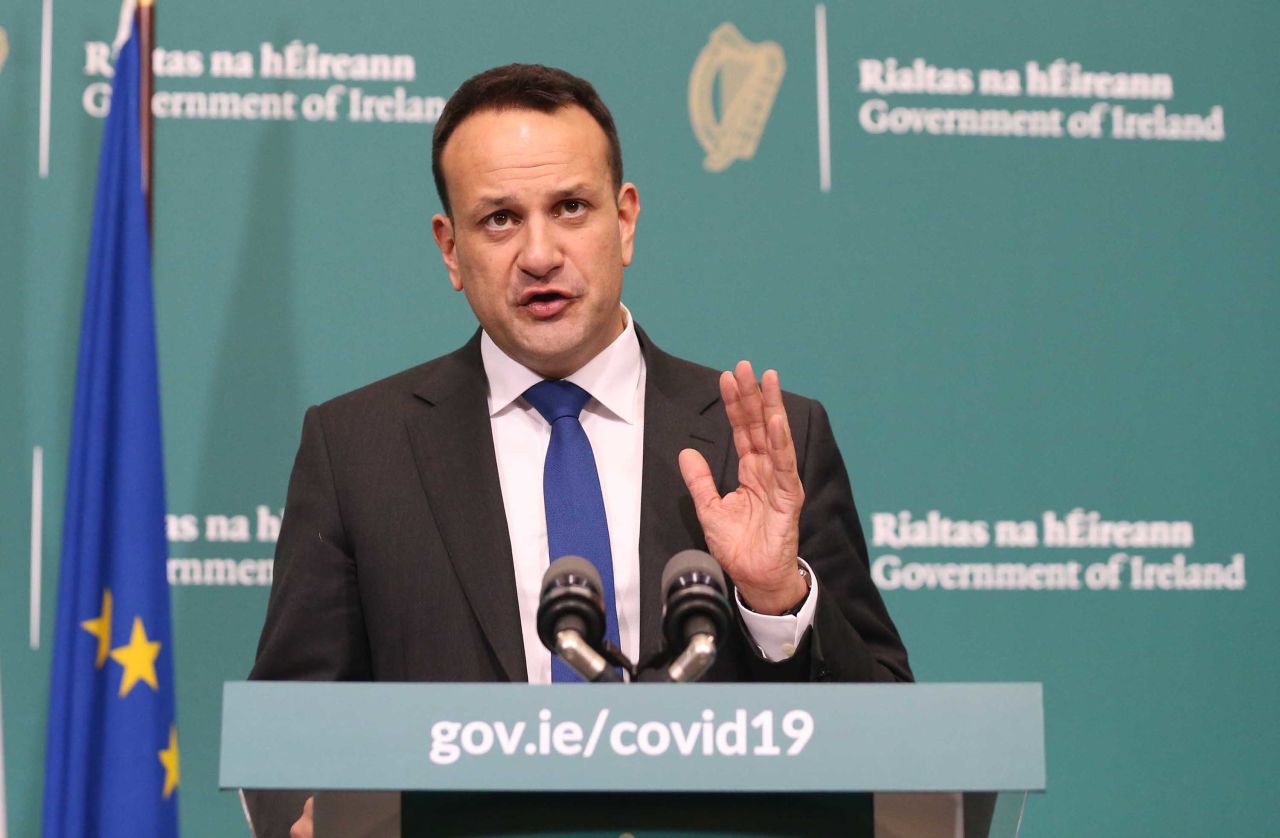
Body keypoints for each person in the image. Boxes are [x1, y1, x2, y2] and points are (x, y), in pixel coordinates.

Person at [246, 63, 910, 838]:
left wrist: (774, 600)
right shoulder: (356, 450)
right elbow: (290, 735)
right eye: (498, 219)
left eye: (570, 208)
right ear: (449, 249)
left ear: (625, 221)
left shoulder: (765, 440)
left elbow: (893, 749)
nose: (538, 253)